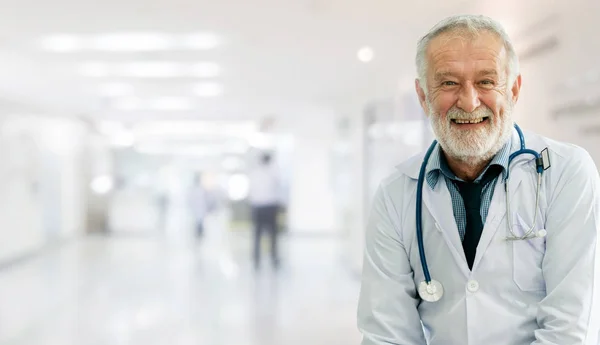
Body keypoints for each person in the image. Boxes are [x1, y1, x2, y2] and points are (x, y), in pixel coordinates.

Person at [357, 14, 600, 345]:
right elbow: (386, 333)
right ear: (423, 96)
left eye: (487, 81)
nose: (469, 101)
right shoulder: (396, 194)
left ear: (513, 89)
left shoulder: (566, 172)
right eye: (448, 83)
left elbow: (571, 330)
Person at [248, 152, 282, 269]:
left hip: (258, 207)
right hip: (270, 207)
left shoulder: (255, 173)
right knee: (272, 234)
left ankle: (256, 257)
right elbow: (278, 185)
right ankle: (273, 257)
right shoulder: (273, 172)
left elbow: (251, 191)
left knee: (257, 234)